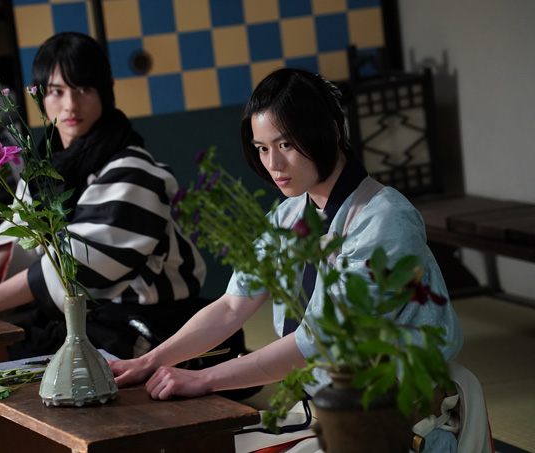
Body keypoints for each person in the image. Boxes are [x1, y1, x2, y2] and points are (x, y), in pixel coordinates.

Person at [110, 68, 464, 450]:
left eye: (286, 144)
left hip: (397, 421)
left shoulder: (384, 219)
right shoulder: (289, 216)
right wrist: (151, 361)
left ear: (331, 132)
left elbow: (315, 342)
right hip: (327, 410)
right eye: (262, 148)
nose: (273, 164)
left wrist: (204, 378)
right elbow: (232, 306)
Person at [0, 32, 209, 361]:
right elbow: (12, 247)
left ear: (108, 88)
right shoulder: (44, 170)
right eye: (57, 91)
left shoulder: (135, 172)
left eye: (83, 89)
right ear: (39, 95)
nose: (70, 105)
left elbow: (72, 266)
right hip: (85, 321)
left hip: (147, 327)